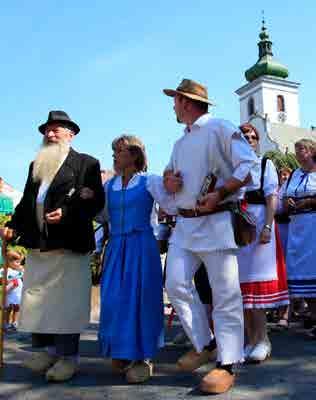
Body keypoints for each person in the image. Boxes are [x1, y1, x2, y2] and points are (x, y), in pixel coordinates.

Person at [163, 79, 259, 394]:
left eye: (175, 100)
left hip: (216, 221)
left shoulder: (219, 127)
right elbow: (169, 176)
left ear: (186, 102)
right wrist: (170, 181)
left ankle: (228, 363)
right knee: (175, 283)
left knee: (225, 293)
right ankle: (206, 342)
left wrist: (221, 192)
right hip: (185, 225)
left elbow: (248, 164)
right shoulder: (179, 142)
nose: (173, 106)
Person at [0, 110, 105, 382]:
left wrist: (68, 213)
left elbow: (95, 202)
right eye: (47, 130)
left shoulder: (87, 164)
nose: (50, 134)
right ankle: (45, 351)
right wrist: (13, 225)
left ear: (71, 134)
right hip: (39, 244)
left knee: (65, 305)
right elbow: (26, 204)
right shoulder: (36, 165)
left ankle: (68, 357)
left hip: (68, 245)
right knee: (37, 301)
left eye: (56, 129)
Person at [95, 135, 176, 383]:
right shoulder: (110, 186)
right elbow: (102, 217)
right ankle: (121, 350)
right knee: (114, 298)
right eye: (114, 151)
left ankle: (143, 357)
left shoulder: (148, 181)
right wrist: (90, 197)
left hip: (142, 245)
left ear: (134, 154)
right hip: (117, 246)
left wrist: (173, 186)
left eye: (118, 151)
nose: (114, 155)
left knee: (141, 298)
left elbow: (171, 205)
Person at [237, 123, 289, 362]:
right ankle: (249, 339)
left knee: (256, 284)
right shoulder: (233, 166)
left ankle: (263, 339)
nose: (249, 139)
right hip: (238, 226)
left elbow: (271, 200)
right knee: (241, 287)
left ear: (258, 141)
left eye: (253, 136)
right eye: (244, 136)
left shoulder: (266, 164)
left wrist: (267, 226)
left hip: (258, 224)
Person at [281, 139, 316, 338]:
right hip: (297, 226)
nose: (298, 153)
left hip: (314, 224)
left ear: (311, 151)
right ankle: (314, 317)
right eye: (296, 150)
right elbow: (283, 197)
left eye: (301, 149)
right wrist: (288, 202)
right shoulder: (294, 174)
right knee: (303, 274)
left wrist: (309, 201)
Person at [0, 245, 26, 331]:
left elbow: (23, 276)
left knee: (17, 308)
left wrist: (22, 270)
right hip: (10, 293)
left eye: (19, 262)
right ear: (9, 262)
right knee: (8, 309)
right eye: (17, 262)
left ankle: (14, 322)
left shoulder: (18, 270)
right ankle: (6, 323)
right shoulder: (5, 270)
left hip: (17, 293)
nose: (19, 264)